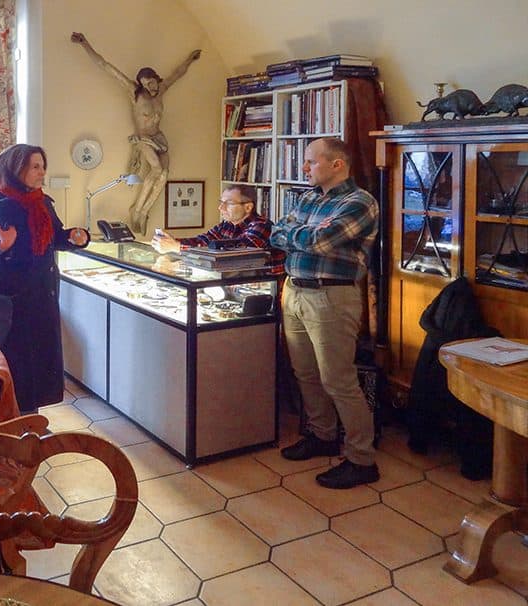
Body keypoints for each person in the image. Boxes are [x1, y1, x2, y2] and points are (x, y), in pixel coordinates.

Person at [270, 137, 380, 489]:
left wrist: (294, 233)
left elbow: (320, 241)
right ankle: (323, 436)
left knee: (338, 380)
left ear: (337, 164)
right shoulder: (306, 198)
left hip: (331, 296)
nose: (304, 168)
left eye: (310, 162)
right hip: (296, 290)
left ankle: (361, 459)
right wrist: (296, 233)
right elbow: (275, 233)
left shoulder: (360, 202)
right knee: (305, 373)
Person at [0, 144, 90, 413]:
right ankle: (4, 426)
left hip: (41, 299)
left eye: (43, 166)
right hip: (5, 304)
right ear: (17, 169)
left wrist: (75, 238)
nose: (42, 173)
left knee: (37, 367)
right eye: (35, 167)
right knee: (11, 365)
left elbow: (55, 238)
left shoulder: (42, 204)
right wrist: (1, 247)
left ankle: (29, 423)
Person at [71, 32, 200, 235]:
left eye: (152, 82)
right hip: (143, 140)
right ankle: (137, 210)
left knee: (164, 174)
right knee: (156, 169)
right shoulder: (135, 94)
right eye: (146, 85)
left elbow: (177, 73)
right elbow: (106, 66)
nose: (150, 87)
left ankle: (144, 210)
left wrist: (190, 60)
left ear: (156, 80)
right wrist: (85, 44)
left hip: (159, 137)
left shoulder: (162, 89)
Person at [151, 184, 286, 275]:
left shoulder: (262, 225)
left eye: (228, 203)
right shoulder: (226, 225)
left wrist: (178, 247)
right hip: (235, 285)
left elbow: (239, 253)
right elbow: (203, 241)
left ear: (248, 207)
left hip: (264, 289)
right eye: (221, 202)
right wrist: (172, 242)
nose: (221, 208)